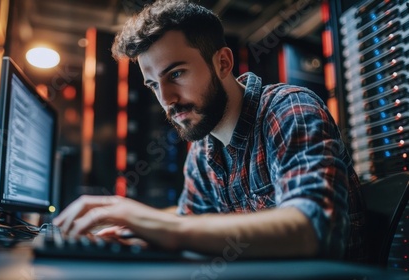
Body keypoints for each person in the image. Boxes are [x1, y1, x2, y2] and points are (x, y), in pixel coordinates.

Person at [54, 0, 367, 261]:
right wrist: (129, 233)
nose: (167, 100)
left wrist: (163, 227)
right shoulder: (203, 152)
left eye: (176, 73)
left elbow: (315, 230)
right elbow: (196, 234)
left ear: (223, 63)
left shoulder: (289, 109)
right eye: (153, 85)